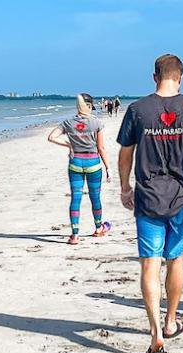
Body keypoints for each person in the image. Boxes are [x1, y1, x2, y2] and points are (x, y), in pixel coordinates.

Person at [118, 54, 183, 353]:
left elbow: (126, 152)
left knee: (150, 264)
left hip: (148, 197)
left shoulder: (137, 110)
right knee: (176, 260)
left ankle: (155, 335)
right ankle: (170, 320)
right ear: (181, 78)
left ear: (154, 77)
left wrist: (125, 187)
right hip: (181, 197)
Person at [47, 93, 111, 244]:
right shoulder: (96, 123)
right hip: (93, 164)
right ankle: (98, 228)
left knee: (76, 198)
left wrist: (69, 145)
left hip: (75, 163)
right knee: (95, 197)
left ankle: (75, 235)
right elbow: (101, 148)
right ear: (88, 106)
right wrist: (108, 168)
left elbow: (51, 137)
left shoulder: (68, 123)